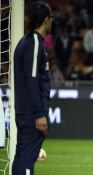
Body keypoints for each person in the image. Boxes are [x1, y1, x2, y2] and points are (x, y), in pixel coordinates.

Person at [12, 2, 53, 175]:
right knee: (27, 159)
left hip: (23, 111)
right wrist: (39, 113)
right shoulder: (35, 44)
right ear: (46, 20)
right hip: (31, 114)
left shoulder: (24, 42)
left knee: (21, 157)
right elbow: (33, 80)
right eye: (51, 19)